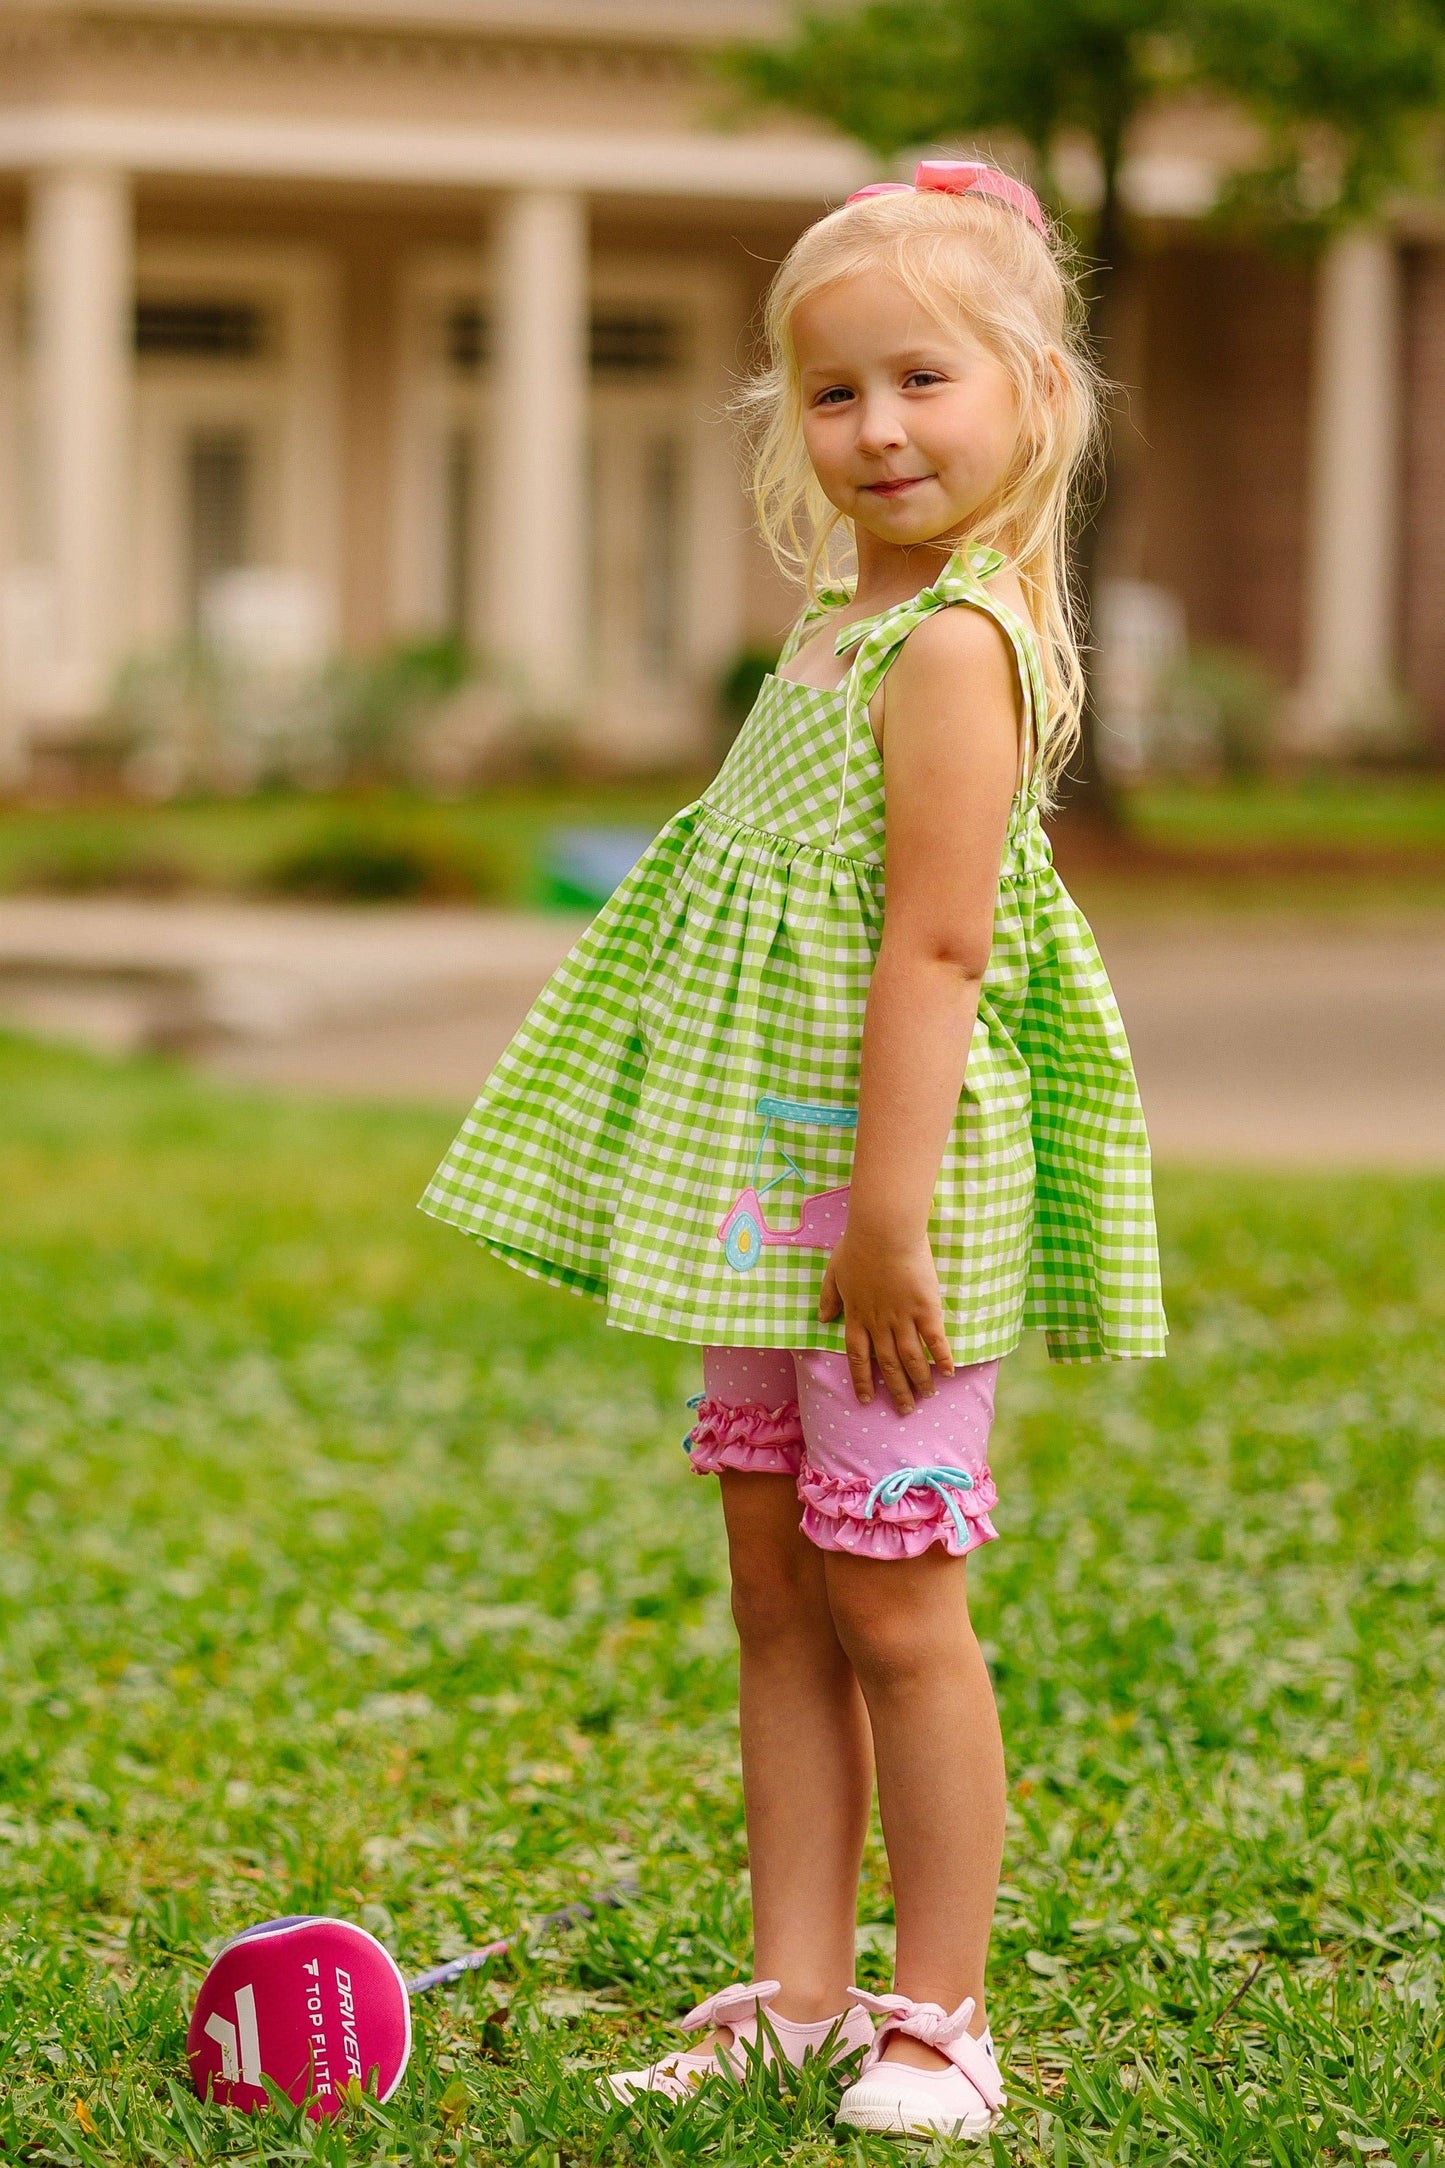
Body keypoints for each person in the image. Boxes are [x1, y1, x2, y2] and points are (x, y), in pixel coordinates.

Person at [420, 160, 1166, 2141]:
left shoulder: (954, 652)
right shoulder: (847, 619)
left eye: (923, 378)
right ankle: (800, 1985)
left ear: (1032, 395)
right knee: (776, 1594)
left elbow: (935, 946)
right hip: (768, 1199)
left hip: (882, 1205)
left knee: (898, 1604)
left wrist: (892, 1221)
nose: (878, 428)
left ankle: (941, 2015)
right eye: (833, 393)